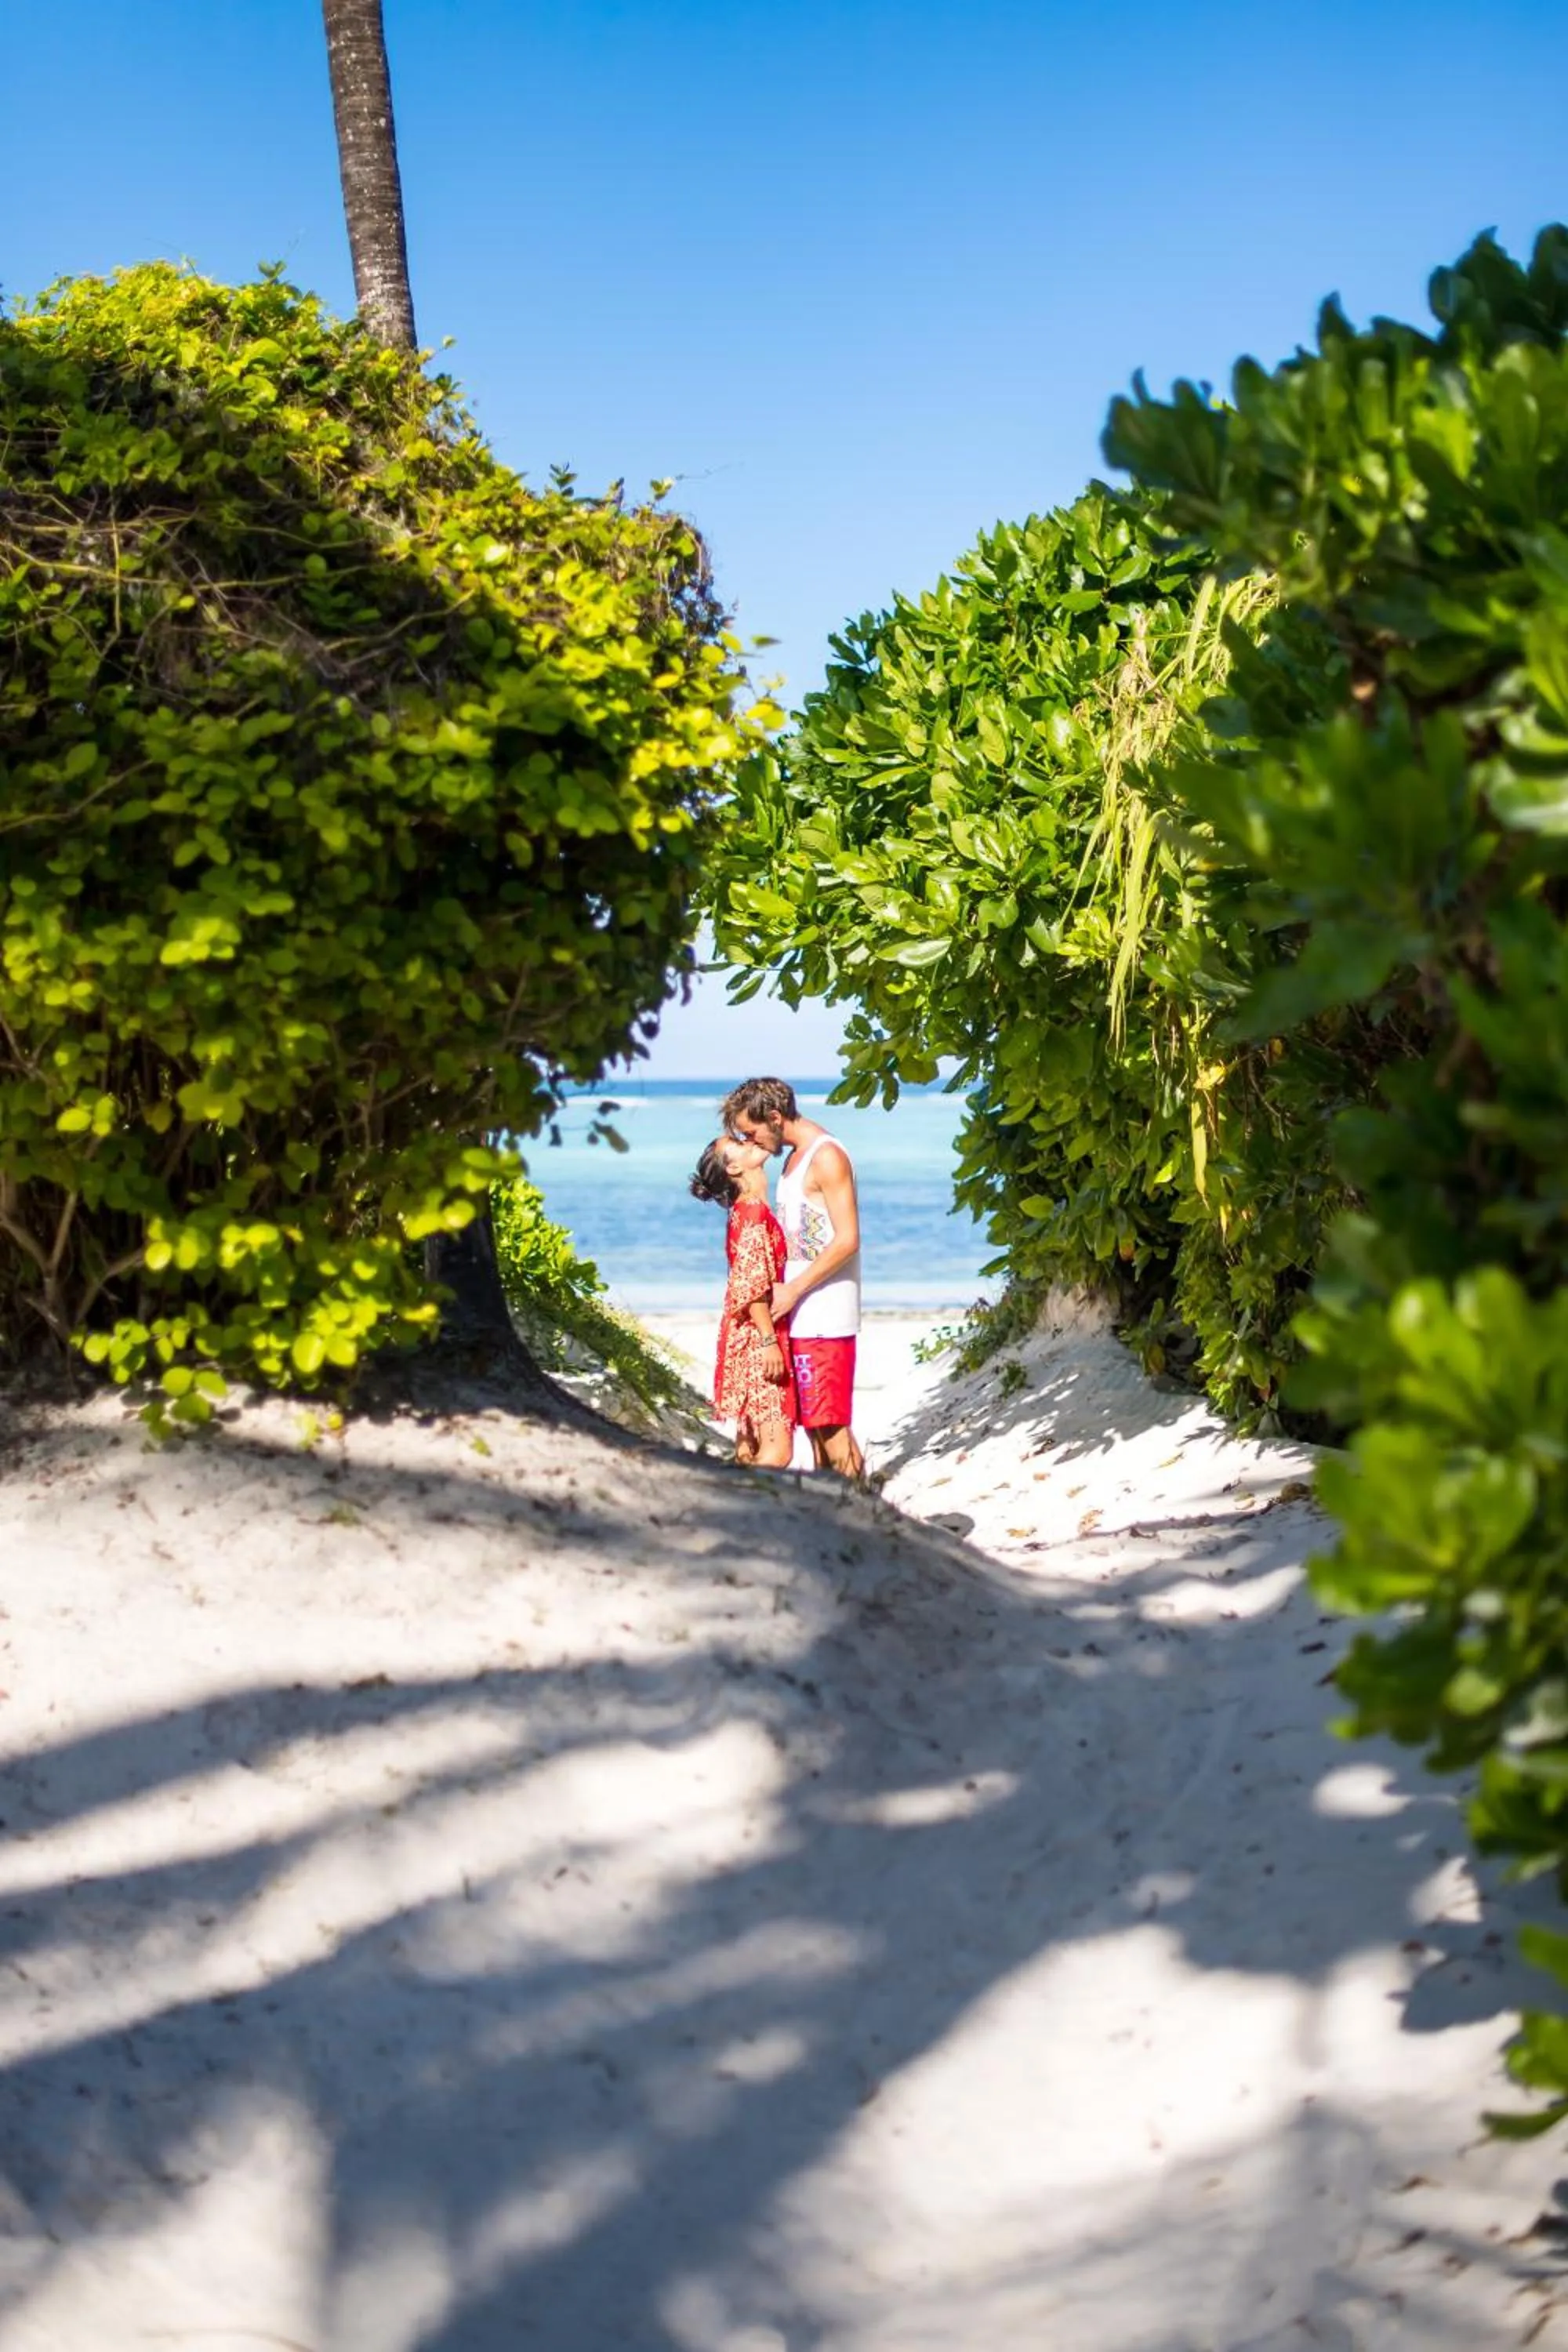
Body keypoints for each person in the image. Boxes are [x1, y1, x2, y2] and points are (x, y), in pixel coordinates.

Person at [720, 1076, 864, 1479]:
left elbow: (848, 1238)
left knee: (831, 1428)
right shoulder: (791, 1159)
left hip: (825, 1315)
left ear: (775, 1117)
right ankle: (837, 1523)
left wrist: (793, 1289)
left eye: (751, 1132)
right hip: (797, 1317)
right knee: (816, 1431)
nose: (751, 1141)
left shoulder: (826, 1156)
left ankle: (868, 1522)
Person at [688, 1133, 797, 1470]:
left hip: (743, 1332)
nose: (747, 1140)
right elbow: (751, 1285)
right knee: (777, 1452)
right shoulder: (751, 1211)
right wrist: (768, 1341)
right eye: (736, 1142)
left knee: (749, 1447)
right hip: (756, 1335)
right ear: (733, 1167)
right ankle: (751, 1514)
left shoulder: (747, 1209)